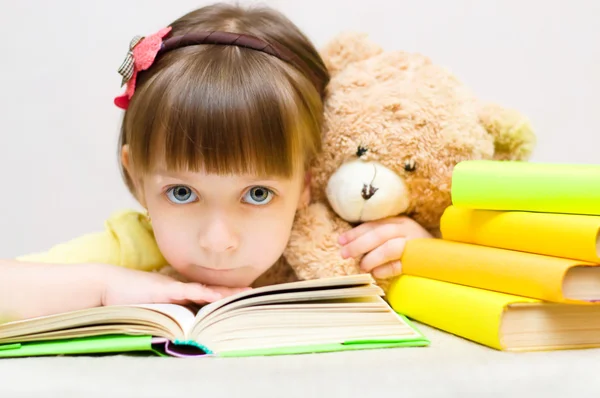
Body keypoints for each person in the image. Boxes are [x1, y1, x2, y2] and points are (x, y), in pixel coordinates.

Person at [0, 3, 432, 322]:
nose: (217, 241)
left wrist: (424, 252)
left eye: (258, 194)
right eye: (182, 192)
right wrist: (103, 287)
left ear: (306, 181)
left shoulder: (343, 241)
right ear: (136, 176)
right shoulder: (136, 248)